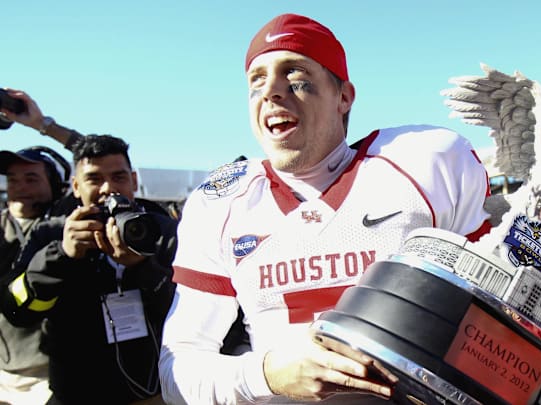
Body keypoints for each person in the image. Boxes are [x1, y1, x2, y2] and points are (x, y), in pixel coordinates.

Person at [158, 13, 495, 404]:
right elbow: (176, 372)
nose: (271, 92)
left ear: (344, 96)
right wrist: (267, 373)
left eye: (294, 74)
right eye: (257, 81)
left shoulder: (426, 165)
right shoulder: (222, 203)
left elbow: (513, 321)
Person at [2, 134, 177, 404]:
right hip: (77, 392)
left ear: (134, 180)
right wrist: (61, 256)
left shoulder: (161, 230)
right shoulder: (51, 232)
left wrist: (142, 268)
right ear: (75, 186)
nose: (108, 188)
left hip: (153, 391)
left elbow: (192, 311)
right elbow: (16, 310)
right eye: (94, 179)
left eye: (118, 177)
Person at [0, 146, 70, 405]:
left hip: (48, 376)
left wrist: (44, 125)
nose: (20, 187)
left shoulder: (64, 228)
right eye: (12, 179)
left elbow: (99, 160)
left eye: (31, 179)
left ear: (54, 184)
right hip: (4, 373)